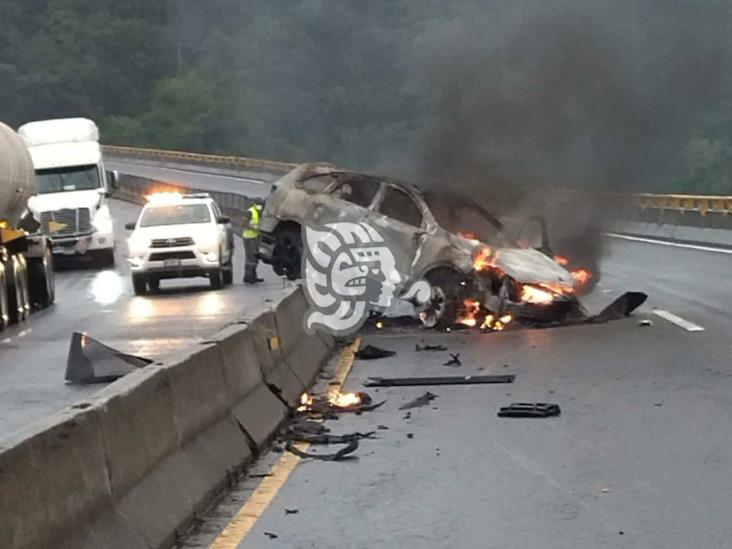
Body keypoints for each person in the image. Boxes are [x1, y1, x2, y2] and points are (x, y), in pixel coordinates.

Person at [242, 199, 264, 284]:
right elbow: (243, 224)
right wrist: (254, 228)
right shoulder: (250, 212)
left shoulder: (259, 212)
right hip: (249, 237)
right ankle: (248, 276)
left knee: (255, 257)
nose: (260, 207)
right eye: (258, 205)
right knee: (250, 258)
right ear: (254, 204)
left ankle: (253, 276)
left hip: (256, 237)